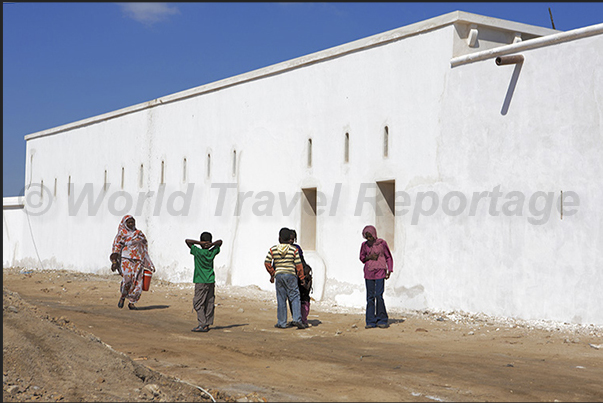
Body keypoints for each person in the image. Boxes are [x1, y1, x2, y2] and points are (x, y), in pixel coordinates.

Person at [264, 228, 307, 329]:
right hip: (291, 275)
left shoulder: (273, 249)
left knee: (281, 299)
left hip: (279, 276)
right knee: (295, 297)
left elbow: (267, 262)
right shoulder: (294, 250)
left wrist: (272, 273)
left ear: (279, 238)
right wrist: (302, 278)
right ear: (289, 239)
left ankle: (282, 322)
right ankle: (297, 319)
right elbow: (299, 265)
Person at [109, 215, 155, 310]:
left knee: (138, 282)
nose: (131, 224)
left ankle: (132, 302)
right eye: (129, 222)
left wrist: (149, 262)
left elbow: (144, 248)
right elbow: (116, 247)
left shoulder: (139, 234)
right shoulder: (121, 235)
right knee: (127, 279)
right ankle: (123, 297)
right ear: (125, 224)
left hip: (138, 260)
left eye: (132, 222)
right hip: (126, 259)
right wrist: (114, 261)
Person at [185, 232, 223, 333]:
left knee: (198, 303)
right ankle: (207, 323)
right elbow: (220, 242)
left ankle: (202, 324)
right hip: (210, 280)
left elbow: (187, 241)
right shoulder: (211, 252)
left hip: (200, 281)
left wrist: (200, 243)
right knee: (209, 302)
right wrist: (211, 244)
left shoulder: (198, 251)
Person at [359, 225, 393, 329]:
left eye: (370, 236)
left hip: (380, 272)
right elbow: (362, 258)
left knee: (379, 295)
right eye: (367, 237)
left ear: (374, 234)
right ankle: (370, 321)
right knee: (370, 297)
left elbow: (388, 257)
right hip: (369, 273)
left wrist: (390, 270)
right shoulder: (364, 245)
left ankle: (382, 319)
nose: (369, 239)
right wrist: (369, 257)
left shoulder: (382, 244)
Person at [289, 229, 312, 327]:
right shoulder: (296, 248)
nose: (291, 240)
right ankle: (300, 319)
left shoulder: (294, 249)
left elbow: (300, 262)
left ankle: (299, 318)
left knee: (296, 298)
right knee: (298, 298)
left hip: (296, 276)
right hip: (296, 275)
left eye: (293, 239)